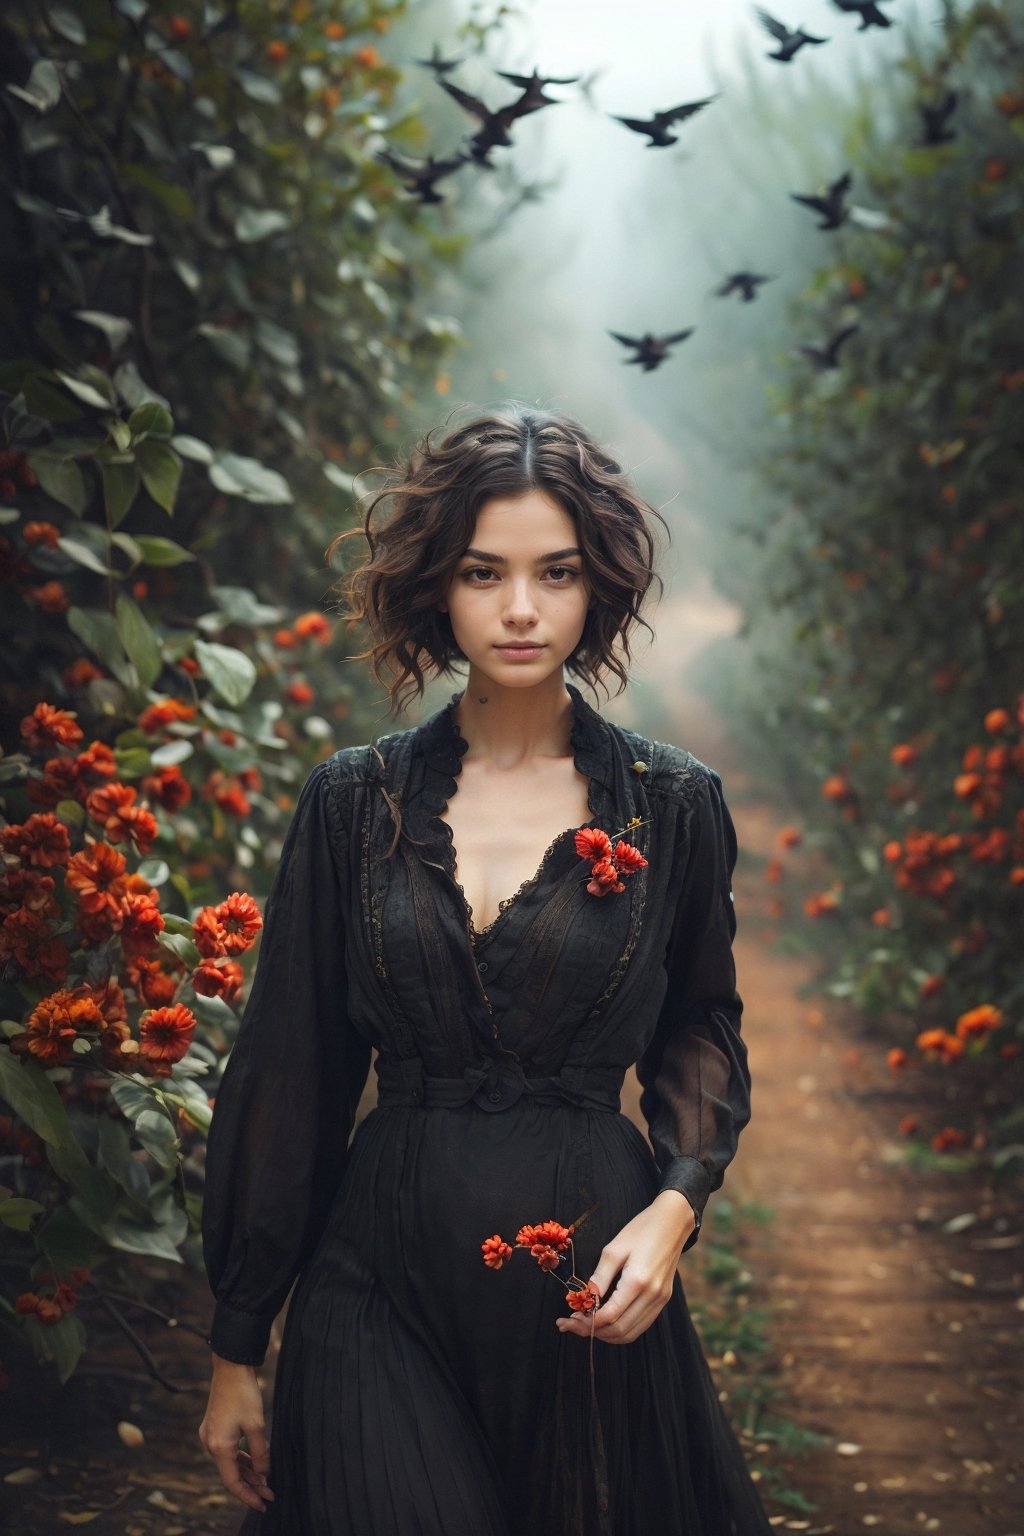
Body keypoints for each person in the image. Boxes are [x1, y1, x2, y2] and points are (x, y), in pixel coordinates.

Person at [198, 404, 773, 1535]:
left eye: (554, 573)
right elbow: (290, 1072)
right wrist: (235, 1345)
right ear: (436, 589)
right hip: (377, 1279)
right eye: (482, 572)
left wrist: (673, 1207)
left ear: (595, 586)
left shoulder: (672, 805)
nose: (519, 609)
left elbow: (700, 1023)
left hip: (585, 1284)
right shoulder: (351, 804)